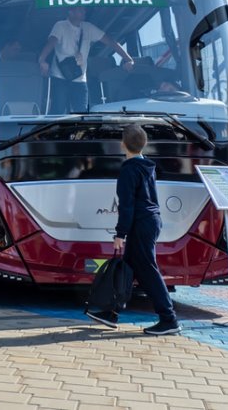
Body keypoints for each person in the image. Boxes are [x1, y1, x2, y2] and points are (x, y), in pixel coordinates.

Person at [87, 125, 181, 334]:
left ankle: (169, 319)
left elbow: (126, 206)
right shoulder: (148, 166)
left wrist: (120, 234)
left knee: (148, 270)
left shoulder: (129, 170)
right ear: (144, 144)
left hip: (141, 223)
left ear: (123, 144)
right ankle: (111, 313)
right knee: (128, 267)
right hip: (151, 221)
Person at [38, 7, 134, 114]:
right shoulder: (60, 25)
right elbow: (52, 42)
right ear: (70, 11)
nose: (84, 12)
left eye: (84, 10)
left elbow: (110, 42)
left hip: (80, 79)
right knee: (57, 111)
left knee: (82, 113)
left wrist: (128, 59)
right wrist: (42, 59)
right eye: (80, 10)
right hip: (60, 77)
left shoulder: (88, 28)